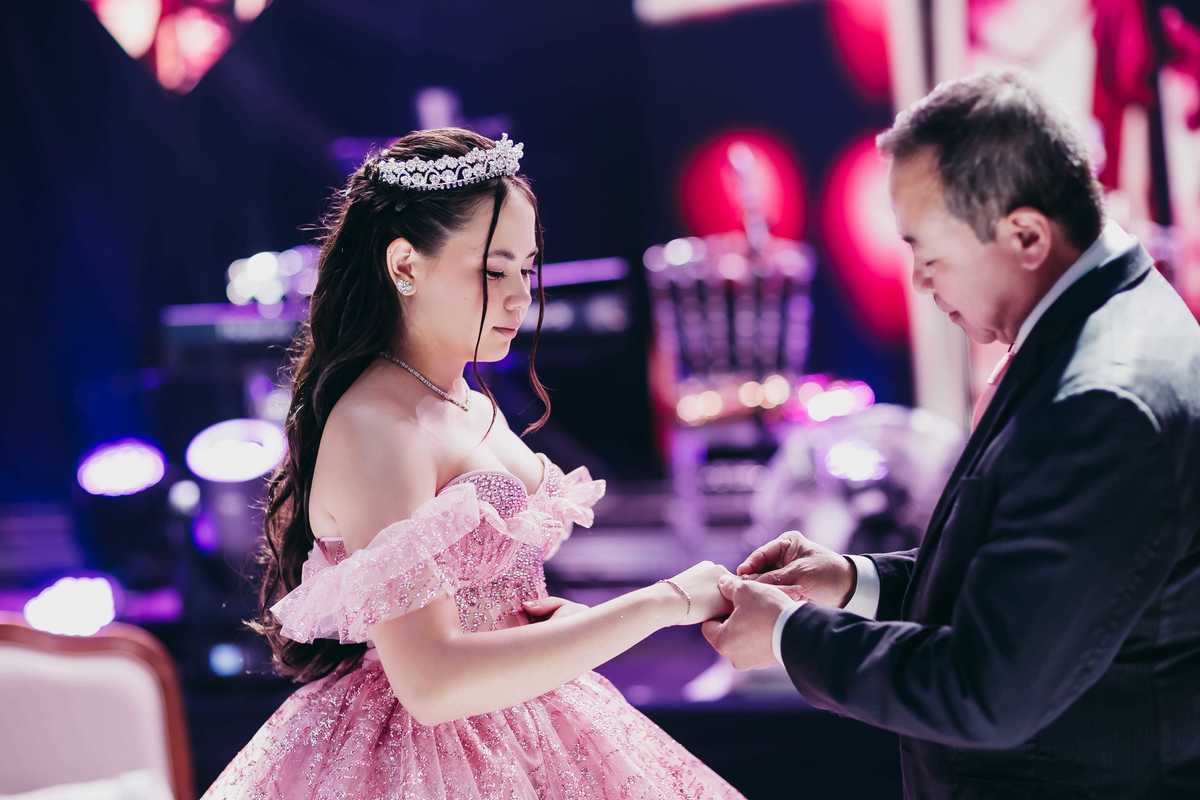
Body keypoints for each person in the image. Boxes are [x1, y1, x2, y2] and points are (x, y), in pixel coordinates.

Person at [202, 128, 743, 799]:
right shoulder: (379, 425)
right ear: (405, 265)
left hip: (529, 721)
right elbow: (431, 683)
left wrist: (568, 624)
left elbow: (494, 610)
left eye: (527, 270)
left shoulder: (460, 397)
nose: (520, 297)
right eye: (493, 270)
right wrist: (663, 603)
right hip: (424, 761)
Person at [703, 71, 1200, 798]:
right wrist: (853, 580)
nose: (917, 280)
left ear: (1026, 235)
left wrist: (788, 636)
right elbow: (1031, 586)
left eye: (929, 255)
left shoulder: (1102, 398)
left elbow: (987, 691)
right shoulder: (1118, 319)